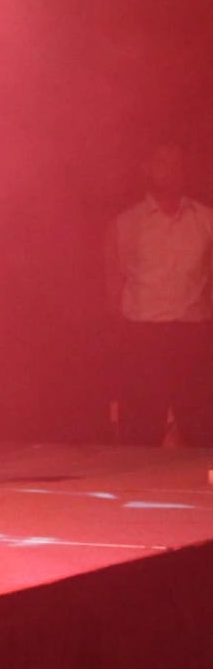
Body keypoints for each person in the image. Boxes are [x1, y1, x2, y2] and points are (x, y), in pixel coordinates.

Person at [104, 141, 213, 448]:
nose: (171, 169)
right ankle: (132, 486)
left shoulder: (207, 220)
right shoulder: (126, 223)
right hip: (144, 337)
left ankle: (204, 491)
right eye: (162, 161)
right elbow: (113, 282)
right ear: (146, 169)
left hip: (193, 335)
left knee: (201, 423)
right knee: (140, 424)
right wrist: (121, 335)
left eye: (177, 162)